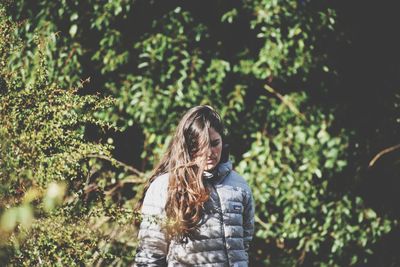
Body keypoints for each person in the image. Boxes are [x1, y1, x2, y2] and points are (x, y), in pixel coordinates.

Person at [134, 105, 255, 267]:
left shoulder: (239, 186)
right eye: (201, 146)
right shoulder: (164, 187)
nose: (210, 153)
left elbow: (244, 245)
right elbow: (150, 254)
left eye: (214, 143)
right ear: (188, 146)